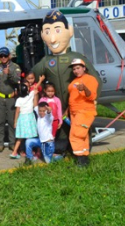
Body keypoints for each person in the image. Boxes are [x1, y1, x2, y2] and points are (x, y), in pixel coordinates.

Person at [32, 10, 102, 153]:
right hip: (56, 102)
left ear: (69, 31)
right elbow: (33, 76)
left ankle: (83, 152)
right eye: (47, 31)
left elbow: (95, 79)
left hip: (78, 102)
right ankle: (62, 147)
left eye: (57, 30)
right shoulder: (46, 61)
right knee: (60, 126)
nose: (52, 39)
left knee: (80, 126)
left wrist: (94, 98)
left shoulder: (76, 58)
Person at [68, 58, 99, 167]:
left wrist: (85, 88)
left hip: (84, 111)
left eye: (78, 68)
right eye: (74, 69)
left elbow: (92, 96)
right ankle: (84, 159)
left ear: (84, 68)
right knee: (82, 136)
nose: (76, 71)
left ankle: (80, 161)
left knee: (76, 135)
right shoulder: (73, 81)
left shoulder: (90, 79)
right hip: (74, 112)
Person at [0, 46, 21, 153]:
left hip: (11, 97)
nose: (3, 57)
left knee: (11, 121)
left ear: (9, 56)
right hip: (0, 97)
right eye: (1, 56)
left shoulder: (15, 67)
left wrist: (9, 74)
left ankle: (12, 143)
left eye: (5, 55)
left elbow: (18, 80)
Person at [10, 75, 44, 159]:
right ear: (27, 90)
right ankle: (31, 152)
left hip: (21, 119)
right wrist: (40, 80)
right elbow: (36, 88)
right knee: (30, 137)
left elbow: (17, 112)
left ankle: (14, 152)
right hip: (29, 118)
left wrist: (15, 122)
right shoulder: (30, 96)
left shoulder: (18, 100)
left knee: (20, 137)